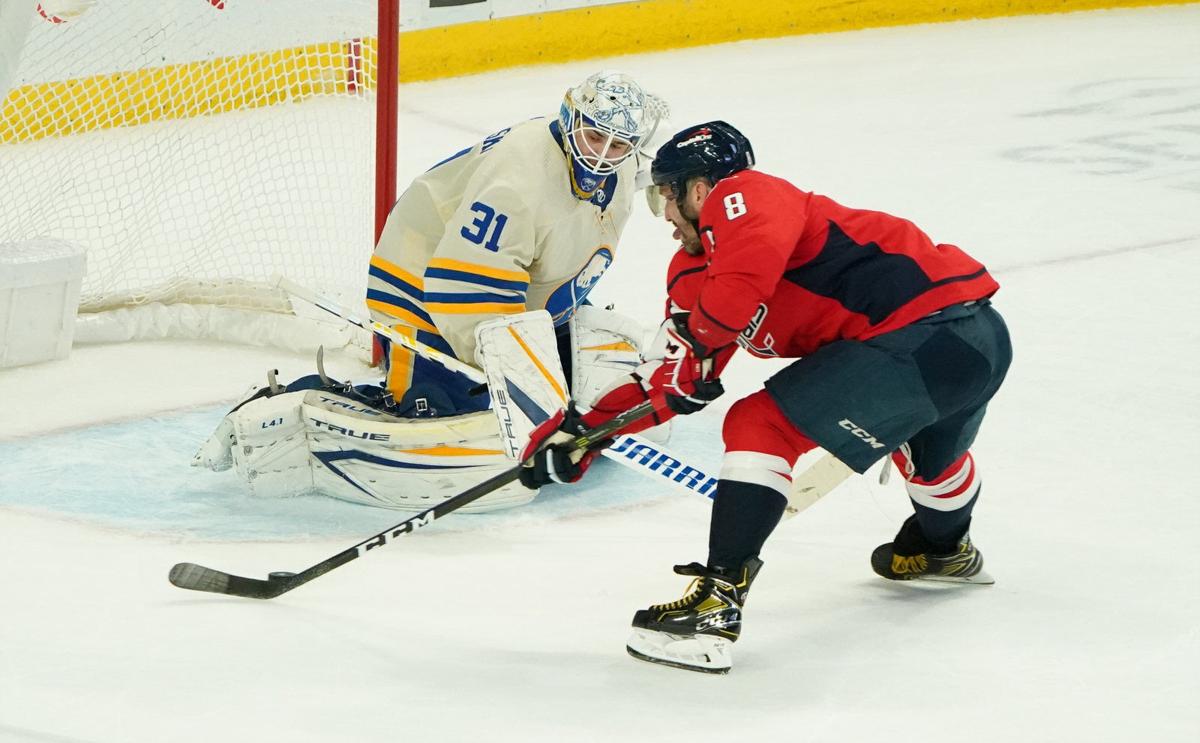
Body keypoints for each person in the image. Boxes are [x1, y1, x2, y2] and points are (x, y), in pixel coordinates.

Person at [519, 120, 1012, 673]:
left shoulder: (745, 195)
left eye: (667, 195)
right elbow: (673, 376)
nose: (666, 215)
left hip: (928, 333)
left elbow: (730, 301)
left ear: (699, 189)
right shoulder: (696, 270)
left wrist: (704, 341)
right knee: (929, 461)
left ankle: (715, 607)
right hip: (972, 348)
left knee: (760, 424)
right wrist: (586, 431)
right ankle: (946, 551)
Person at [193, 71, 669, 513]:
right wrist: (507, 369)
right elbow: (462, 282)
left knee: (579, 400)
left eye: (619, 144)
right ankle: (295, 399)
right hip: (426, 285)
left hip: (524, 296)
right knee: (438, 413)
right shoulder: (518, 179)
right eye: (594, 136)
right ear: (570, 119)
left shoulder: (619, 166)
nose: (603, 153)